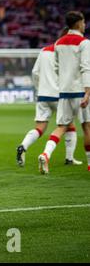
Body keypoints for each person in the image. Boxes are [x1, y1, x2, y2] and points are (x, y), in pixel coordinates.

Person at [16, 28, 81, 167]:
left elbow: (35, 72)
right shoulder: (67, 53)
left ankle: (23, 146)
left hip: (43, 95)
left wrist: (39, 88)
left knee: (40, 127)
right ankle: (66, 158)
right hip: (60, 95)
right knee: (68, 125)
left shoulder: (44, 50)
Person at [38, 11, 90, 174]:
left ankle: (46, 154)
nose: (84, 25)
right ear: (77, 24)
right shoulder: (84, 43)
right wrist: (87, 92)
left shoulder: (59, 43)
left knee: (61, 127)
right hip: (80, 91)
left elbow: (57, 67)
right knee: (87, 127)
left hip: (64, 92)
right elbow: (86, 68)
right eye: (83, 22)